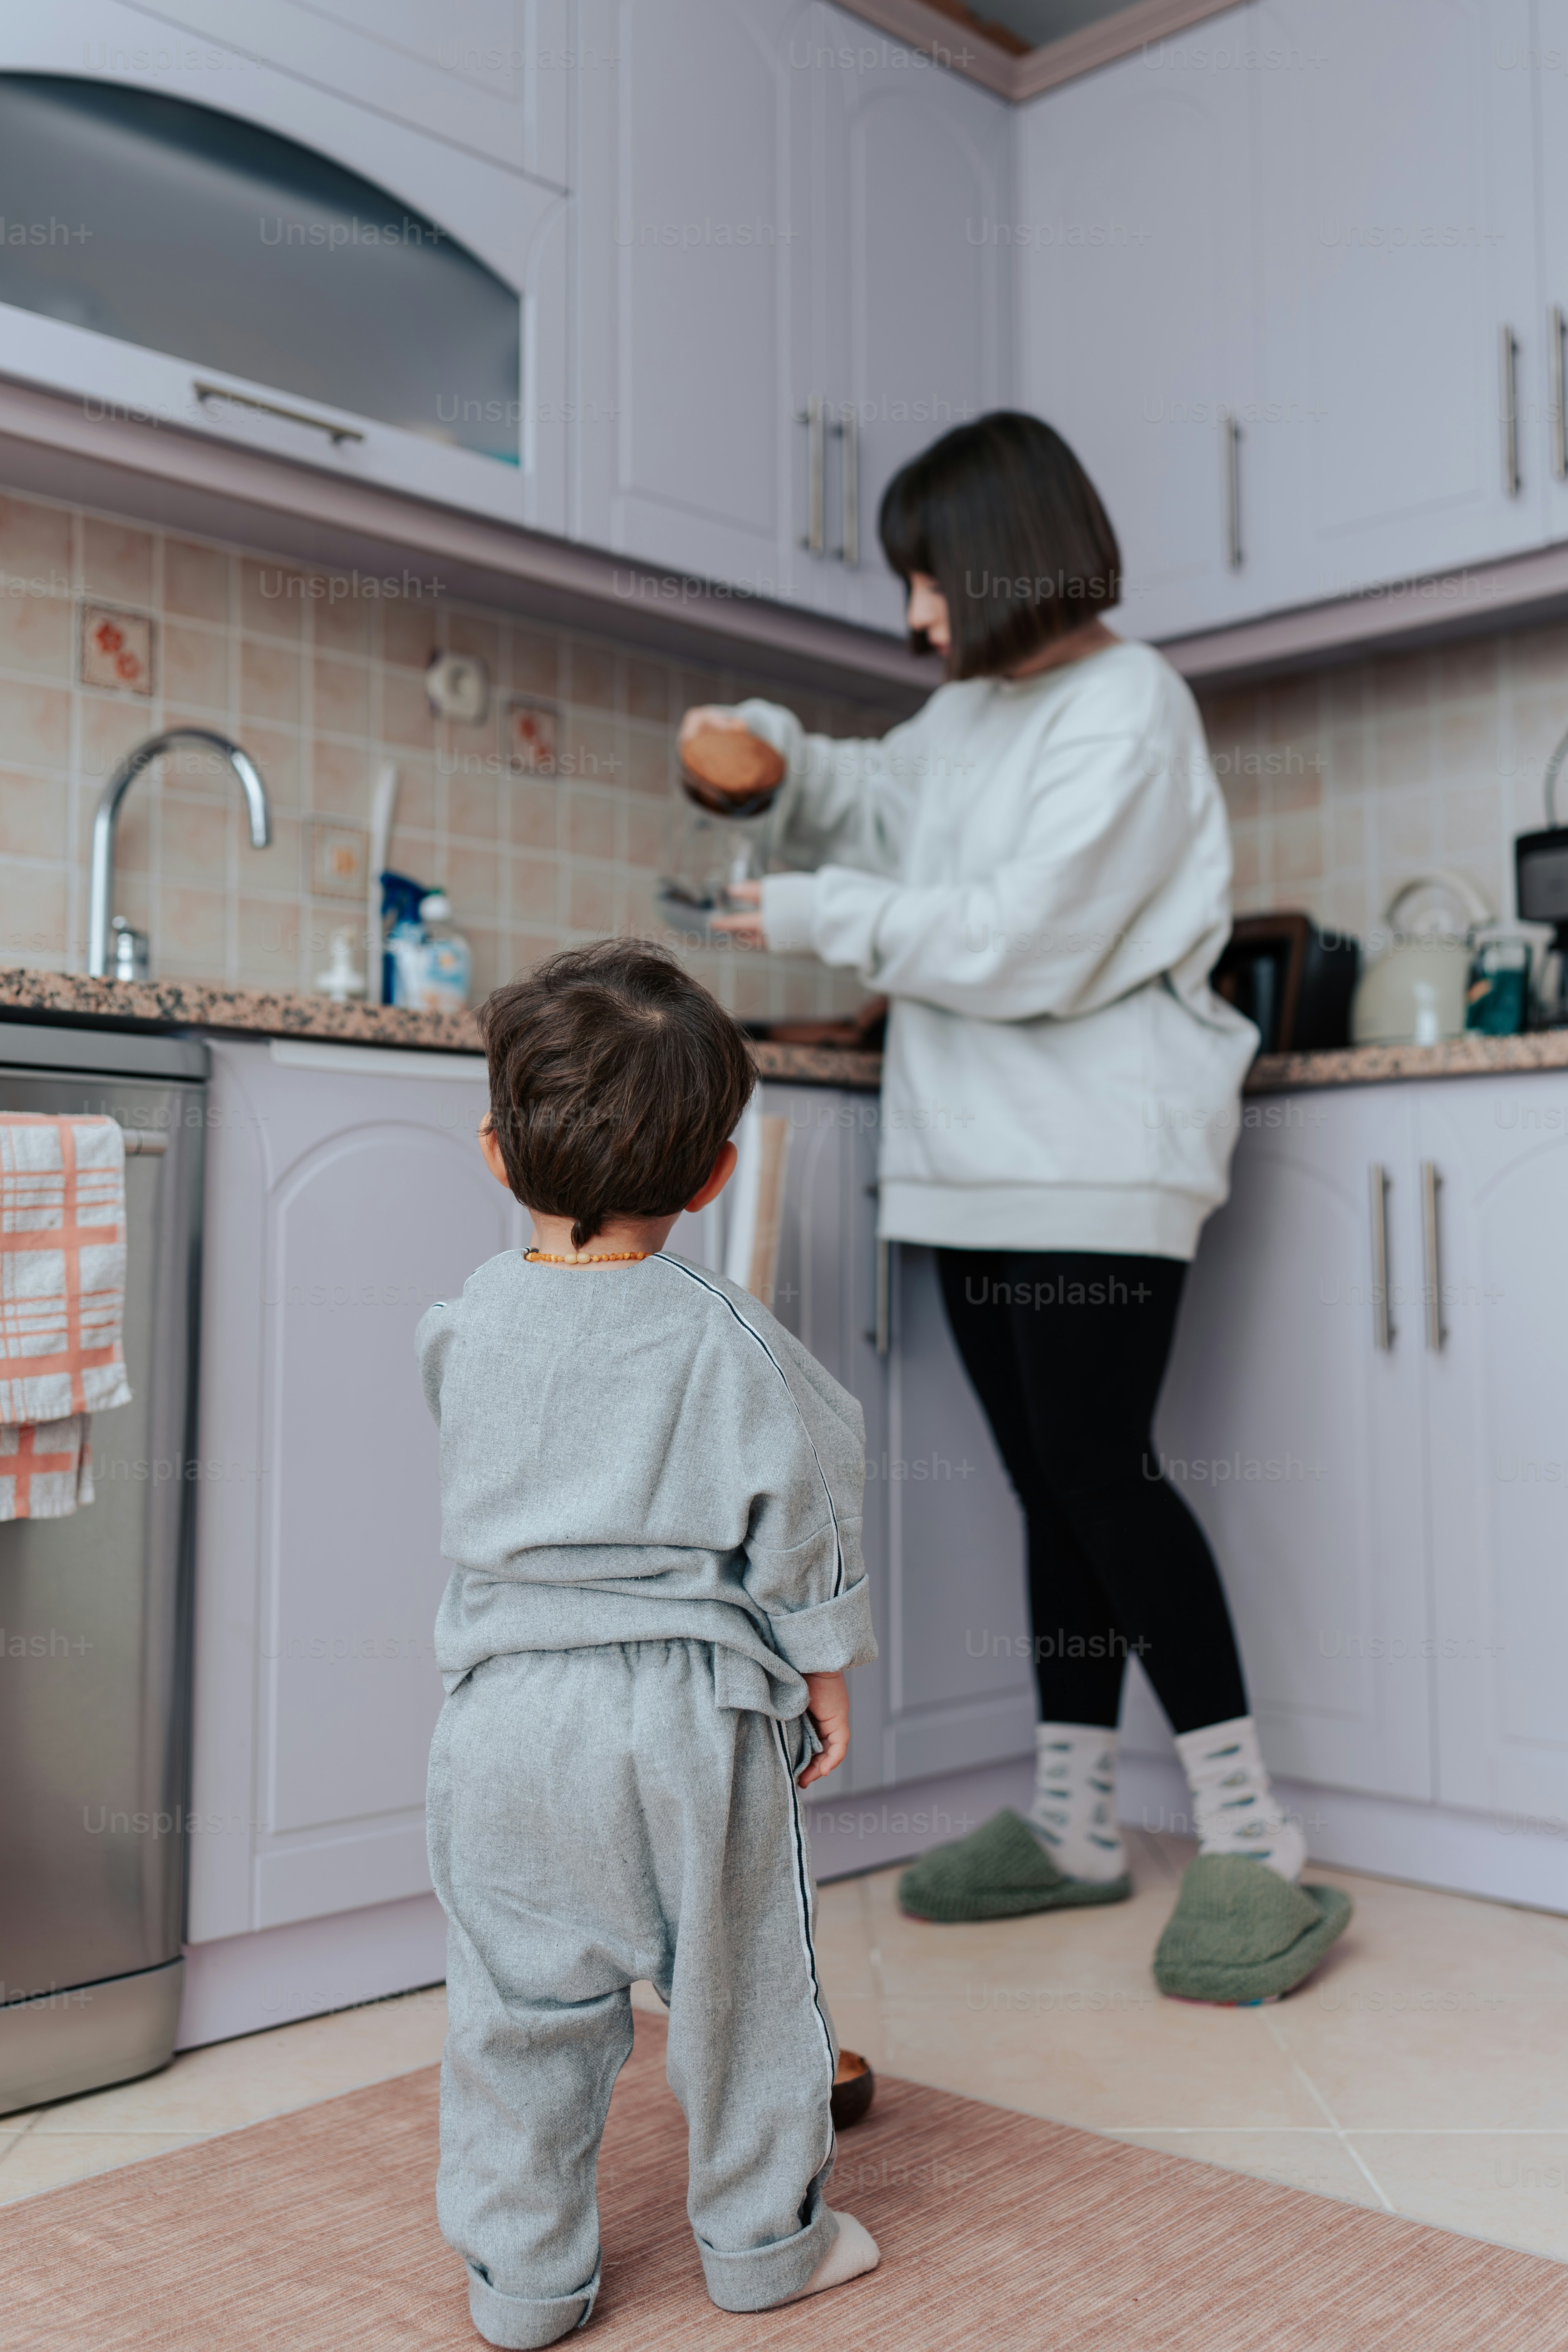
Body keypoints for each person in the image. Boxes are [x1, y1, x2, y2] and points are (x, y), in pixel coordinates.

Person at [701, 409, 1350, 2007]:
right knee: (1047, 1489)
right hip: (968, 1156)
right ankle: (1072, 1823)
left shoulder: (1127, 710)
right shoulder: (974, 717)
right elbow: (859, 796)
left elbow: (1025, 939)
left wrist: (806, 909)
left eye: (925, 578)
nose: (914, 614)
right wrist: (769, 752)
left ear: (992, 556)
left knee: (1099, 1475)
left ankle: (1252, 1835)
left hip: (1089, 1152)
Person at [417, 940, 880, 2349]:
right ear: (714, 1174)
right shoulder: (728, 1338)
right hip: (688, 1718)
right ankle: (762, 2247)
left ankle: (525, 2283)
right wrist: (820, 1659)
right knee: (743, 1996)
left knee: (514, 2015)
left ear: (496, 1155)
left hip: (502, 1723)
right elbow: (806, 1497)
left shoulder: (461, 1323)